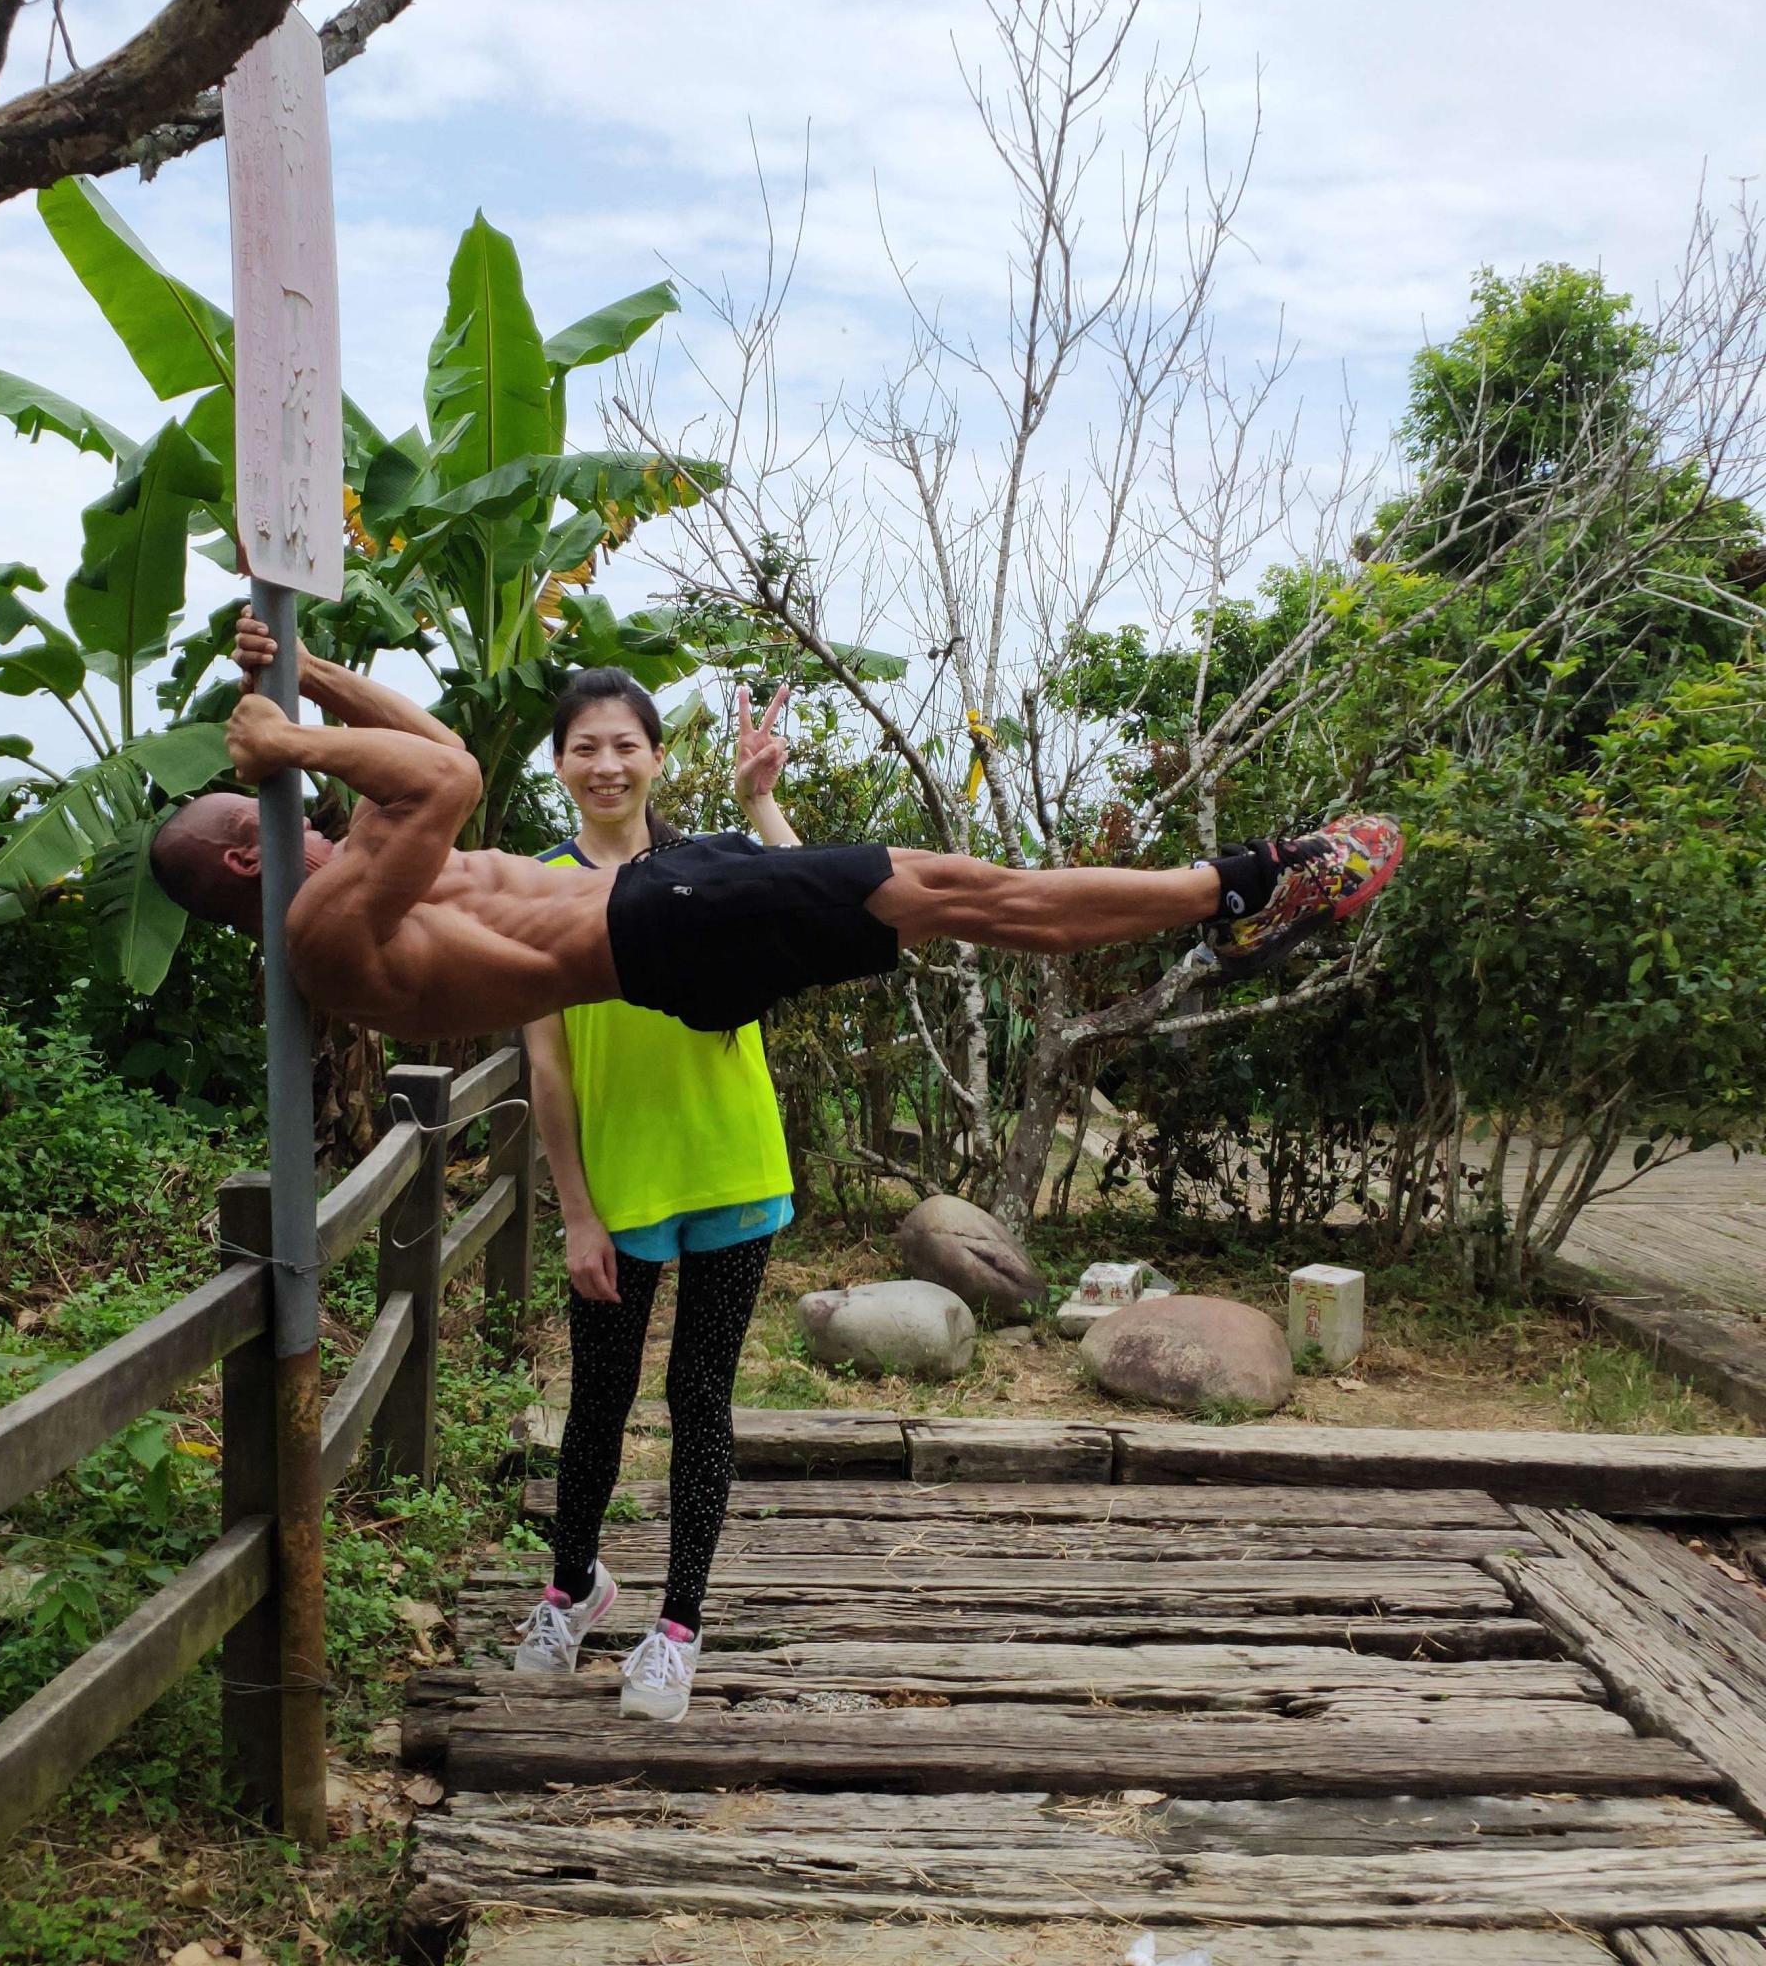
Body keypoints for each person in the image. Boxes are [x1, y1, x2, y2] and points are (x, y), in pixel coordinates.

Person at [152, 612, 1402, 1045]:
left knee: (950, 887)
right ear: (246, 855)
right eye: (275, 805)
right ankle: (1243, 887)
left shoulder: (351, 884)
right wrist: (290, 741)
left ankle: (1237, 894)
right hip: (655, 931)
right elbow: (446, 778)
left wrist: (309, 676)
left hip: (666, 901)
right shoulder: (324, 931)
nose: (311, 803)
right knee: (954, 887)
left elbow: (418, 754)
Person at [510, 667, 802, 1721]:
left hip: (728, 1164)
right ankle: (572, 1585)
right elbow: (547, 1067)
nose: (604, 764)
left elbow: (809, 904)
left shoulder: (707, 864)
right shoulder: (536, 884)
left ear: (654, 757)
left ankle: (677, 1624)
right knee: (597, 1395)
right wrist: (575, 1210)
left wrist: (759, 796)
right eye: (584, 746)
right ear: (558, 763)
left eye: (623, 744)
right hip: (620, 1183)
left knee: (698, 1396)